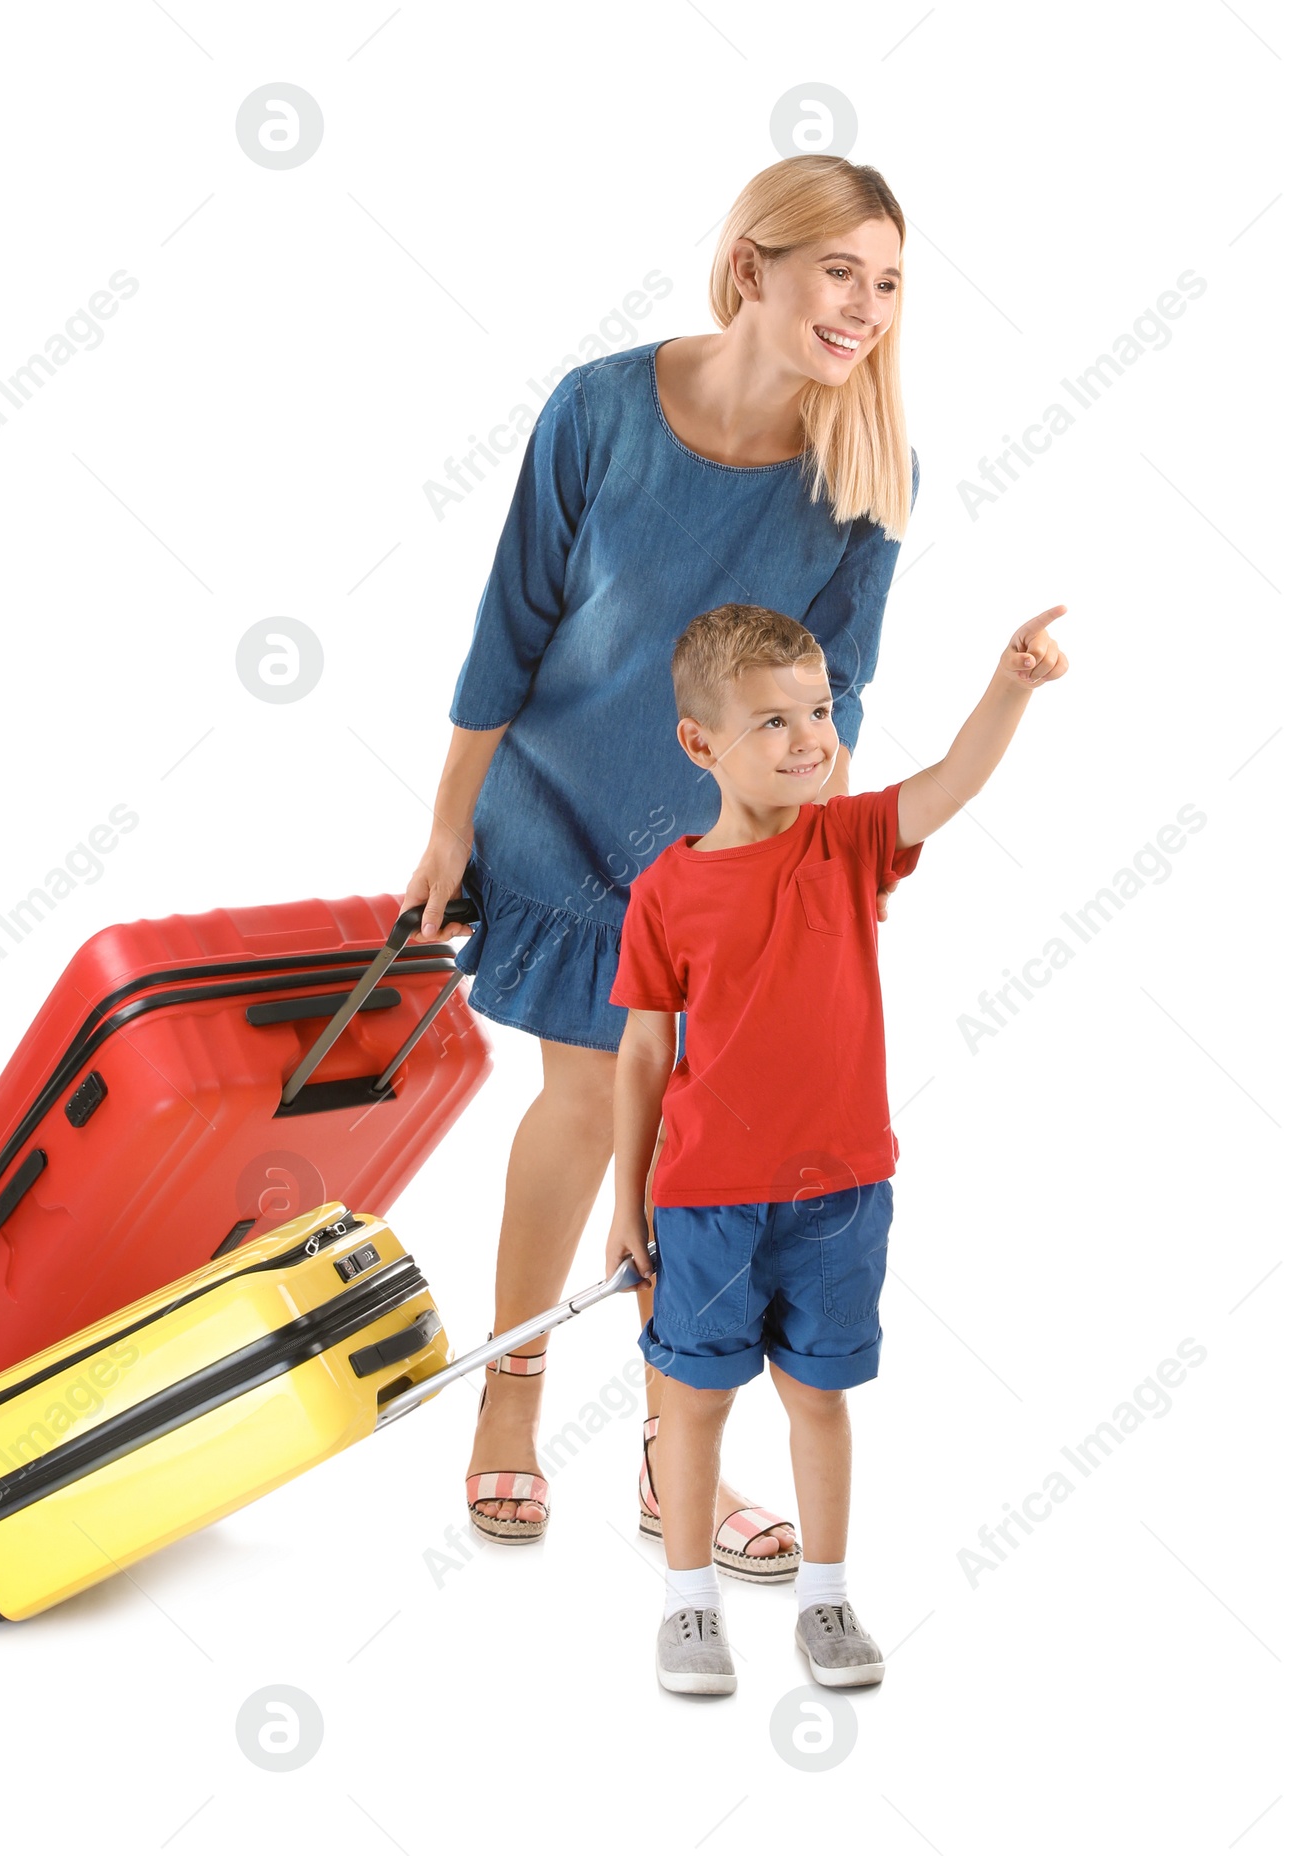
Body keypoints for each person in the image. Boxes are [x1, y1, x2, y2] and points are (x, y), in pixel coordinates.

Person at [404, 155, 917, 1569]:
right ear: (752, 264)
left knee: (703, 1148)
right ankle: (509, 1411)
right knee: (587, 1102)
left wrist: (797, 881)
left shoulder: (865, 473)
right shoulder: (602, 409)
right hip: (559, 814)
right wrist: (450, 820)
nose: (865, 306)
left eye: (887, 283)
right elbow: (510, 626)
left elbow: (839, 699)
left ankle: (667, 1449)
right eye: (839, 271)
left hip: (722, 850)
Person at [606, 599, 1067, 1694]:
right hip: (705, 1200)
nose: (810, 737)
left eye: (818, 710)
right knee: (690, 1404)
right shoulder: (664, 891)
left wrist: (1009, 684)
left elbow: (950, 783)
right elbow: (638, 1054)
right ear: (699, 742)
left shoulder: (852, 839)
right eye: (774, 721)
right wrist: (628, 1202)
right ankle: (687, 1608)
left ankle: (824, 1595)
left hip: (843, 1192)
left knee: (818, 1394)